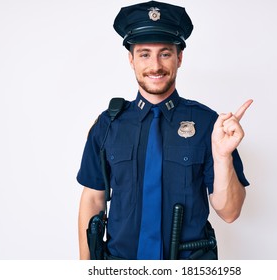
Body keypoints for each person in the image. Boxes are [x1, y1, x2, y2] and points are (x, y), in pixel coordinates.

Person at [77, 0, 252, 260]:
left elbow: (230, 212)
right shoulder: (108, 125)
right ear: (131, 59)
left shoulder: (207, 124)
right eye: (145, 54)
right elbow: (93, 199)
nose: (155, 65)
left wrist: (223, 157)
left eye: (165, 53)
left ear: (179, 57)